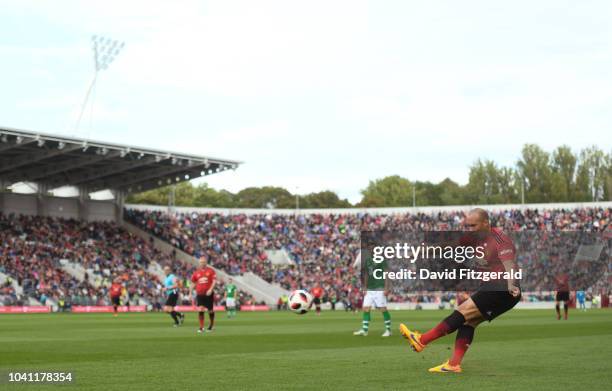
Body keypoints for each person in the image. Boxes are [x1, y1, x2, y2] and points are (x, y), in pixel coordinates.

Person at [400, 208, 521, 373]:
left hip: (502, 287)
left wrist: (512, 283)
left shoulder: (500, 239)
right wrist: (427, 249)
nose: (470, 229)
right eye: (468, 226)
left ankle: (422, 340)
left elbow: (509, 265)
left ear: (485, 223)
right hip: (496, 289)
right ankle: (453, 364)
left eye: (473, 225)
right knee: (468, 322)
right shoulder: (473, 238)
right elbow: (451, 246)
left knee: (462, 311)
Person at [354, 250, 392, 337]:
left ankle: (388, 330)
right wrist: (364, 286)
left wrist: (386, 288)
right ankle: (365, 330)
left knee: (383, 309)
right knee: (366, 308)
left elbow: (387, 274)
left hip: (379, 288)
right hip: (370, 289)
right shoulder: (368, 261)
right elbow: (366, 274)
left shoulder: (382, 260)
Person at [191, 255, 217, 333]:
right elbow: (193, 282)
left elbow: (214, 281)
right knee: (201, 309)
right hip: (200, 293)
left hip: (209, 293)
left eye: (203, 262)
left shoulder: (211, 271)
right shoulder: (196, 272)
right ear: (199, 263)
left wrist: (210, 289)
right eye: (201, 262)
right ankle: (201, 327)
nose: (202, 263)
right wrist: (190, 292)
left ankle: (211, 325)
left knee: (210, 310)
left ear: (206, 263)